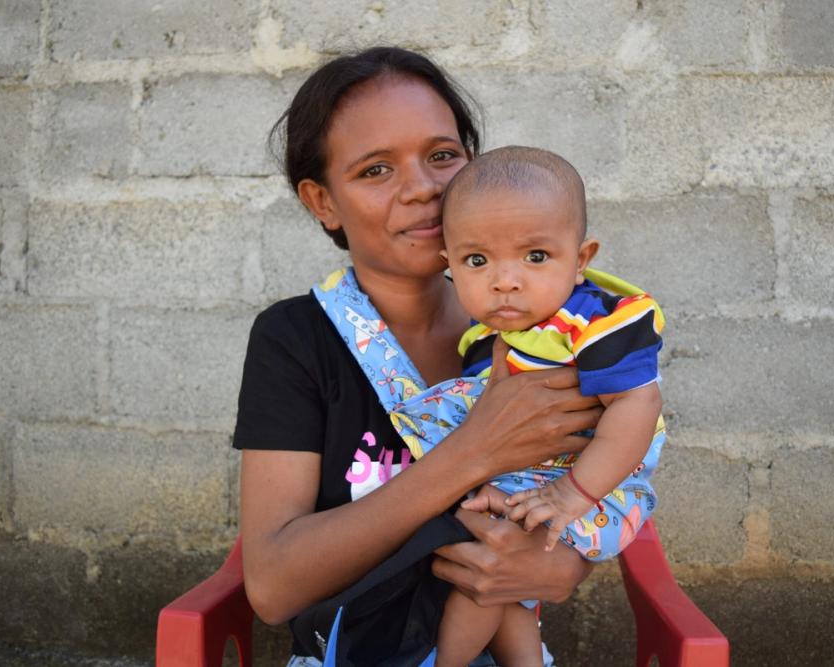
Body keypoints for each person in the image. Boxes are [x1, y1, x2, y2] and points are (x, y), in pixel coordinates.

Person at [234, 47, 601, 666]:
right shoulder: (295, 340)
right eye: (375, 170)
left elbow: (600, 478)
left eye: (442, 156)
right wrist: (473, 452)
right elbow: (272, 588)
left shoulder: (542, 329)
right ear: (322, 202)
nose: (424, 189)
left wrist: (564, 565)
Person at [393, 146, 664, 667]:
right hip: (525, 481)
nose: (505, 280)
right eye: (478, 261)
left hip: (596, 481)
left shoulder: (595, 325)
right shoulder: (486, 340)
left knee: (480, 586)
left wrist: (571, 494)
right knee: (501, 586)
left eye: (535, 256)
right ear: (449, 266)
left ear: (581, 260)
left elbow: (638, 405)